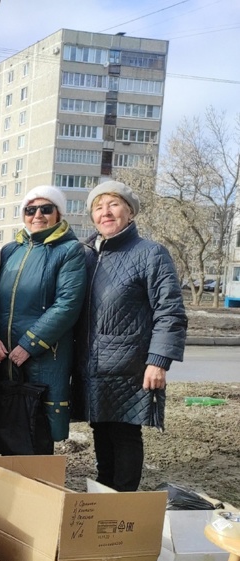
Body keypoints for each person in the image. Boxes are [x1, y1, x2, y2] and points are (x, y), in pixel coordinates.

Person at [73, 181, 187, 492]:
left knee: (124, 433)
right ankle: (103, 494)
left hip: (130, 366)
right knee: (100, 429)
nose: (105, 212)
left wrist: (158, 361)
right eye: (98, 207)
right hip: (92, 366)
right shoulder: (85, 254)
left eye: (113, 204)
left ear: (130, 212)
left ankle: (123, 502)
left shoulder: (150, 254)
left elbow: (170, 311)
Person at [0, 186, 87, 451]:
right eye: (30, 209)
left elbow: (67, 305)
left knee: (36, 428)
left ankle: (37, 487)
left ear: (58, 213)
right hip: (3, 354)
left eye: (46, 209)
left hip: (43, 355)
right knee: (7, 424)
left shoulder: (69, 251)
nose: (37, 215)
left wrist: (29, 345)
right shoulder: (9, 251)